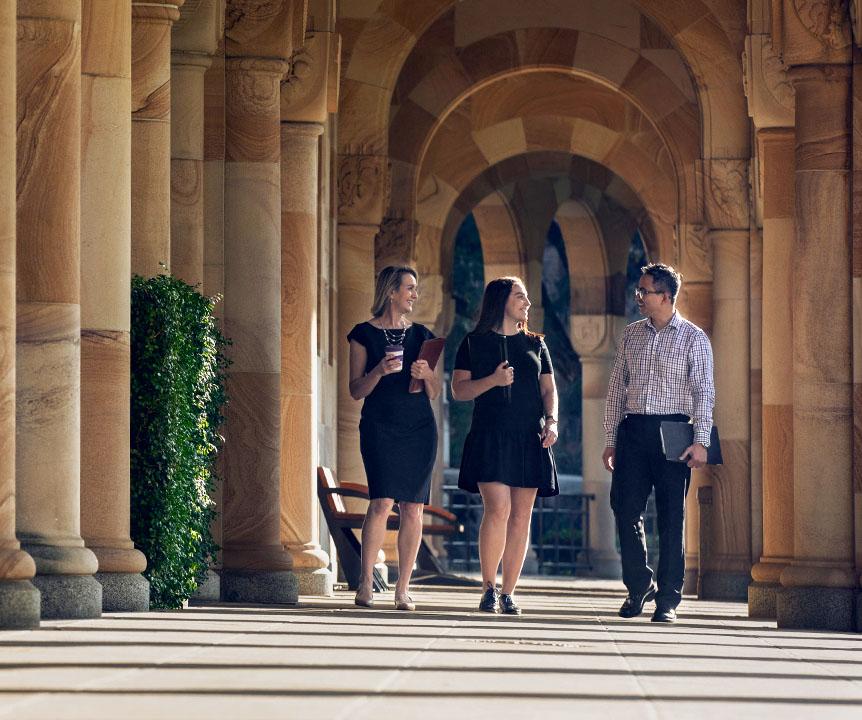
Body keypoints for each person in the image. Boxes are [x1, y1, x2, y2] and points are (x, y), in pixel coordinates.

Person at [602, 263, 715, 624]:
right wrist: (610, 440)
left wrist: (701, 442)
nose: (638, 297)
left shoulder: (694, 338)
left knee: (671, 518)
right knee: (624, 507)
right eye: (639, 290)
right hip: (633, 431)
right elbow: (617, 389)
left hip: (675, 433)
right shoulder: (632, 335)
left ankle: (667, 600)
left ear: (665, 296)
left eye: (644, 291)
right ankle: (639, 585)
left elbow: (704, 393)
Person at [451, 277, 558, 615]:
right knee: (498, 509)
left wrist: (552, 421)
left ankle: (509, 592)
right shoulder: (474, 342)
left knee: (521, 516)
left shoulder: (536, 343)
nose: (527, 302)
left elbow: (549, 390)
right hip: (490, 435)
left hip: (529, 436)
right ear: (501, 301)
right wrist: (493, 381)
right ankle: (488, 588)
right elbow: (459, 391)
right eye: (520, 296)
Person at [347, 265, 442, 611]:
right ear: (391, 292)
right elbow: (356, 390)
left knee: (414, 507)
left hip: (419, 428)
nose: (415, 295)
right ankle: (365, 584)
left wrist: (427, 375)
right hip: (379, 426)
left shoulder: (423, 336)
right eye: (409, 288)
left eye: (415, 289)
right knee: (381, 502)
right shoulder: (362, 335)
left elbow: (433, 391)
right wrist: (379, 371)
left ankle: (403, 589)